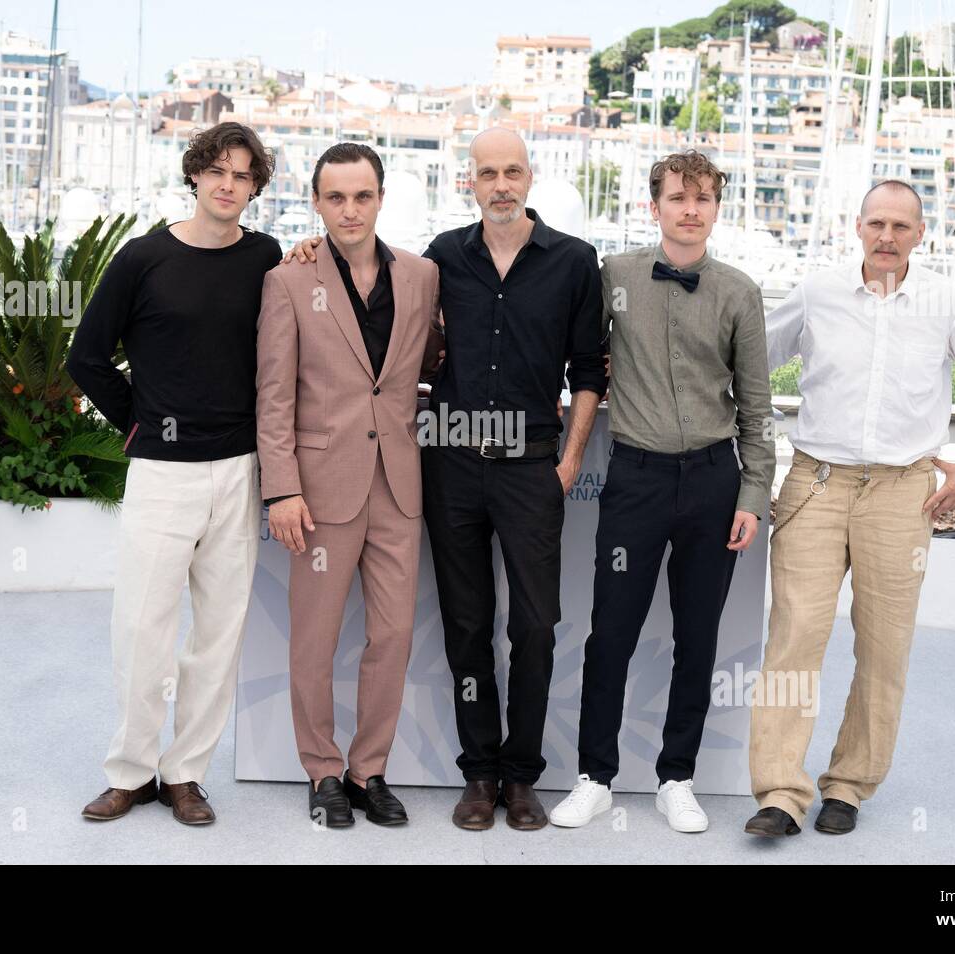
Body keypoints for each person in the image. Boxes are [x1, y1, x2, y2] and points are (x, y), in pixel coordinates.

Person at [281, 127, 606, 829]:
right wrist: (311, 249)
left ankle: (523, 777)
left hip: (531, 469)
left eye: (512, 171)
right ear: (471, 181)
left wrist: (571, 460)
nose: (501, 184)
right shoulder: (440, 261)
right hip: (451, 468)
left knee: (536, 628)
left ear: (531, 176)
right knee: (465, 628)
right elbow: (375, 311)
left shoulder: (576, 262)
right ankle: (480, 775)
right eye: (487, 172)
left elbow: (588, 370)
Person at [744, 180, 955, 838]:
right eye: (876, 224)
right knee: (793, 641)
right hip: (815, 481)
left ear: (921, 233)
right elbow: (753, 361)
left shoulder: (948, 301)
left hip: (904, 490)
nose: (887, 237)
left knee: (885, 646)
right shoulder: (817, 292)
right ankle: (780, 791)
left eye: (901, 226)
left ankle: (850, 784)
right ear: (857, 227)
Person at [548, 151, 774, 834]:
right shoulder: (613, 275)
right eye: (678, 197)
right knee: (608, 632)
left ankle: (678, 776)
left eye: (703, 198)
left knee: (698, 637)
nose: (690, 209)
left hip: (713, 481)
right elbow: (573, 349)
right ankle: (595, 777)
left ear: (715, 209)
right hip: (636, 479)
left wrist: (754, 494)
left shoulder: (740, 291)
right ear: (656, 205)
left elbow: (759, 408)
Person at [70, 122, 281, 826]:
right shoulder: (143, 259)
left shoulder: (267, 258)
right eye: (217, 170)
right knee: (142, 631)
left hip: (240, 468)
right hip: (162, 472)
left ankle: (185, 773)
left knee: (217, 636)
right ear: (195, 175)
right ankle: (129, 772)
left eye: (243, 174)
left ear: (256, 187)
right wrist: (137, 422)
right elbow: (87, 356)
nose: (228, 184)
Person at [257, 143, 441, 828]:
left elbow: (432, 360)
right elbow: (273, 394)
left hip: (398, 486)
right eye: (335, 197)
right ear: (316, 203)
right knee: (315, 637)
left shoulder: (423, 277)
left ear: (381, 199)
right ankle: (322, 771)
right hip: (319, 490)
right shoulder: (288, 280)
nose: (349, 209)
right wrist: (281, 489)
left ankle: (369, 770)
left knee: (393, 636)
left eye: (362, 196)